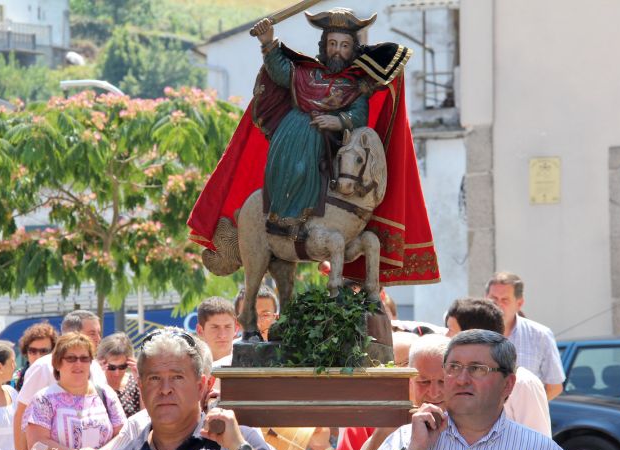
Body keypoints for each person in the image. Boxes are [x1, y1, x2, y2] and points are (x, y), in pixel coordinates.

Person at [188, 7, 439, 288]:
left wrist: (336, 120)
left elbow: (359, 117)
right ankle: (285, 219)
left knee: (353, 166)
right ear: (324, 46)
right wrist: (268, 42)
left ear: (352, 49)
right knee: (297, 165)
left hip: (334, 140)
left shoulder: (354, 85)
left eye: (344, 46)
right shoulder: (306, 73)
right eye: (332, 44)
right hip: (295, 135)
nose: (337, 51)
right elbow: (281, 72)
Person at [354, 330, 580, 450]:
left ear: (507, 384)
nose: (461, 379)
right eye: (453, 367)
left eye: (477, 369)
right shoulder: (407, 441)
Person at [88, 328, 287, 450]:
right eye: (154, 378)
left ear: (201, 386)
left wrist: (239, 449)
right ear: (141, 386)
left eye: (177, 377)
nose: (165, 389)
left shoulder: (238, 443)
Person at [322, 334, 448, 450]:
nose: (434, 392)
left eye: (442, 381)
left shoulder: (470, 424)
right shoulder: (367, 421)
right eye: (424, 381)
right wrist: (382, 433)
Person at [13, 309, 106, 450]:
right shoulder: (43, 367)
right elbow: (21, 416)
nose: (99, 339)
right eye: (93, 333)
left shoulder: (96, 368)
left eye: (99, 333)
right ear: (73, 334)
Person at [22, 332, 126, 450]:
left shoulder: (106, 394)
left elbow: (123, 434)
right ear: (57, 363)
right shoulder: (44, 399)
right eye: (71, 358)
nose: (78, 364)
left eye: (84, 358)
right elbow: (38, 445)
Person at [445, 297, 551, 436]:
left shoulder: (523, 383)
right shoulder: (452, 377)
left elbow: (539, 444)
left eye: (451, 330)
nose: (446, 336)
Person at [486, 271, 565, 399]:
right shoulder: (474, 334)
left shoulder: (540, 336)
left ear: (519, 304)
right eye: (493, 299)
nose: (498, 305)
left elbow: (555, 387)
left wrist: (529, 409)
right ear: (485, 298)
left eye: (505, 300)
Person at [97, 332, 143, 417]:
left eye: (122, 366)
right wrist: (96, 377)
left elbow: (145, 417)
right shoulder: (94, 384)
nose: (117, 373)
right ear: (102, 362)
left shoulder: (135, 383)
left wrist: (141, 382)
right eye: (112, 367)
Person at [13, 321, 58, 391]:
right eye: (33, 351)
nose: (38, 357)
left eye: (44, 351)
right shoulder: (15, 378)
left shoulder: (61, 377)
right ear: (26, 351)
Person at [196, 296, 239, 362]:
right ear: (200, 331)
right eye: (215, 327)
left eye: (227, 327)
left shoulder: (251, 363)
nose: (222, 335)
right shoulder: (189, 366)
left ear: (236, 329)